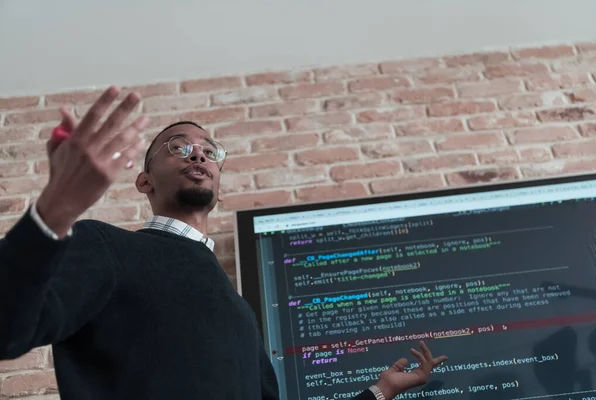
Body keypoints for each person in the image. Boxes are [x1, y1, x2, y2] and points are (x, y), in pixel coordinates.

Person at [0, 86, 447, 400]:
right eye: (178, 147)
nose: (198, 154)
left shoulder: (240, 312)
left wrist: (381, 390)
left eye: (209, 151)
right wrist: (56, 206)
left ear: (221, 184)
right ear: (144, 182)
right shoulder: (107, 246)